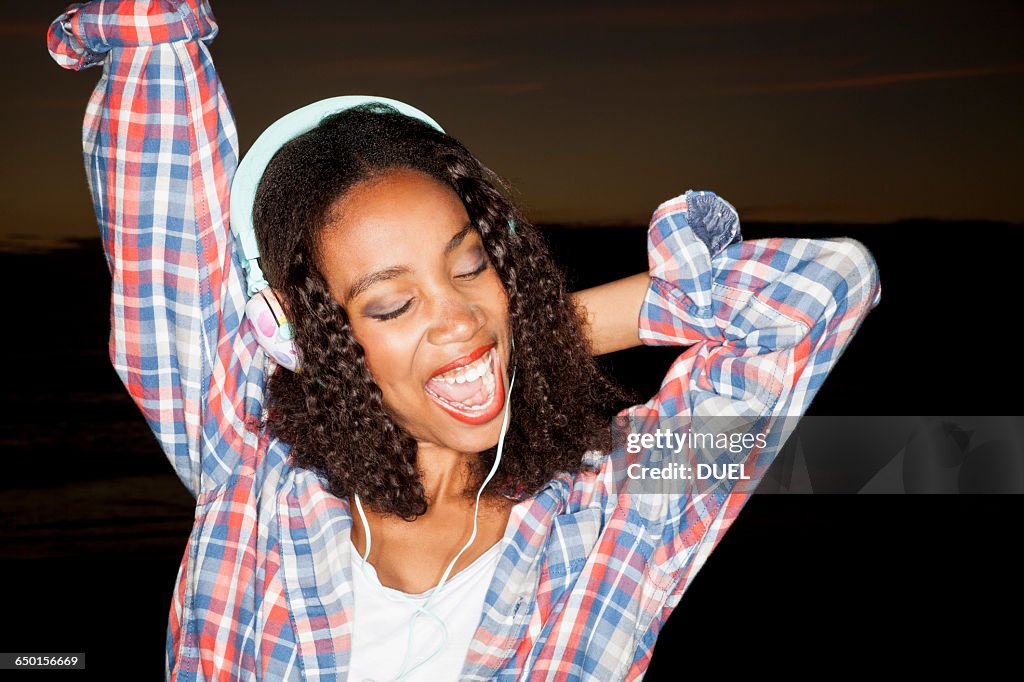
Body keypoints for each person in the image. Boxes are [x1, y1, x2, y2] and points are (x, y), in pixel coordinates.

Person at [48, 1, 881, 680]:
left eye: (471, 265)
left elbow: (821, 288)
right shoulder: (248, 468)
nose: (458, 319)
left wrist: (538, 335)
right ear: (294, 336)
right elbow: (163, 220)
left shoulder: (618, 503)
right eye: (390, 305)